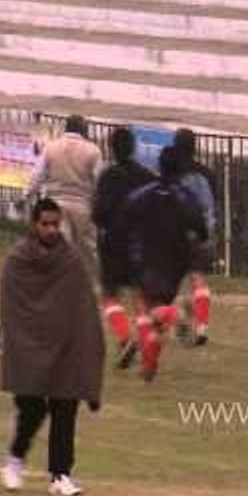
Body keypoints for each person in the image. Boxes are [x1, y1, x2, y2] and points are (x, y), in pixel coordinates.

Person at [0, 198, 105, 496]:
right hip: (28, 347)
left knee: (65, 405)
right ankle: (15, 459)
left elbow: (83, 308)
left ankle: (60, 474)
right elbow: (13, 307)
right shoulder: (18, 259)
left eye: (55, 224)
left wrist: (84, 350)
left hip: (63, 348)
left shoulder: (70, 260)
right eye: (45, 224)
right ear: (34, 224)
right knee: (32, 408)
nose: (50, 229)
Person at [122, 147, 208, 381]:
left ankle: (176, 313)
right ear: (181, 169)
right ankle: (149, 367)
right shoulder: (187, 196)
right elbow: (201, 230)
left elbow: (126, 214)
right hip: (176, 262)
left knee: (145, 304)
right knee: (156, 315)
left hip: (148, 256)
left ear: (159, 166)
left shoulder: (145, 193)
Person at [92, 126, 156, 368]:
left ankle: (124, 337)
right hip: (140, 245)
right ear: (134, 148)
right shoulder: (147, 176)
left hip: (113, 244)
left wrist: (103, 221)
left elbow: (99, 213)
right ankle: (145, 343)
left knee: (110, 295)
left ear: (111, 148)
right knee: (141, 297)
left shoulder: (108, 176)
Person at [23, 114, 104, 282]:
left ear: (66, 128)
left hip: (55, 206)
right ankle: (97, 283)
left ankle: (56, 281)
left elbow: (37, 176)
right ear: (84, 130)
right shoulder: (93, 151)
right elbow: (99, 183)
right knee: (89, 250)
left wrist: (26, 196)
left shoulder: (51, 147)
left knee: (58, 248)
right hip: (83, 206)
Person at [172, 128, 217, 347]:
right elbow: (212, 205)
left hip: (178, 235)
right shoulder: (207, 173)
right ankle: (202, 326)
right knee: (199, 278)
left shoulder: (171, 173)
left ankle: (179, 316)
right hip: (203, 233)